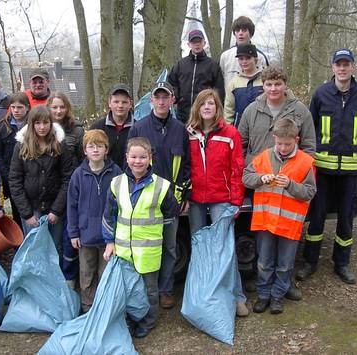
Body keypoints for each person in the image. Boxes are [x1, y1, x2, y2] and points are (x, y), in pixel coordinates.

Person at [297, 49, 357, 285]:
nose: (342, 68)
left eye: (346, 64)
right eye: (338, 64)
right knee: (317, 216)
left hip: (351, 169)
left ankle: (342, 263)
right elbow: (312, 126)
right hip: (324, 168)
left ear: (352, 68)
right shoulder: (321, 94)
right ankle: (310, 262)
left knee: (346, 218)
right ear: (332, 68)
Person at [102, 137, 178, 338]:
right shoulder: (116, 184)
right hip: (124, 250)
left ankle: (148, 321)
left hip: (148, 251)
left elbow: (171, 213)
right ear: (126, 158)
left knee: (149, 290)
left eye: (143, 157)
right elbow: (109, 215)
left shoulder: (161, 186)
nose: (138, 161)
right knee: (127, 289)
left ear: (150, 158)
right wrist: (109, 242)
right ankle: (128, 321)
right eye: (134, 157)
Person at [128, 81, 191, 309]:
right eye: (158, 97)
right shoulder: (139, 128)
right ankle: (145, 291)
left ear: (172, 100)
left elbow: (186, 166)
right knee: (145, 248)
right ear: (151, 100)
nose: (162, 101)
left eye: (166, 97)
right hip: (145, 202)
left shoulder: (180, 130)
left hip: (170, 202)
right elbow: (130, 165)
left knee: (169, 248)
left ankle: (165, 291)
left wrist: (184, 196)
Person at [243, 118, 316, 314]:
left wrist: (291, 184)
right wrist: (260, 178)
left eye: (288, 144)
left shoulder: (306, 162)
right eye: (280, 143)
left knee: (285, 265)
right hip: (266, 222)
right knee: (264, 262)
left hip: (289, 225)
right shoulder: (264, 157)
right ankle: (263, 295)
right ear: (274, 138)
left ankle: (277, 297)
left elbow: (310, 192)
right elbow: (246, 178)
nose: (283, 147)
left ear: (296, 140)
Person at [186, 89, 248, 316]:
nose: (207, 108)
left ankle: (237, 297)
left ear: (217, 107)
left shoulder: (230, 133)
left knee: (225, 250)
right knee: (200, 249)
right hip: (196, 200)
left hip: (222, 198)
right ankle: (203, 296)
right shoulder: (189, 133)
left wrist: (236, 200)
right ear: (197, 108)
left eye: (211, 103)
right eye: (203, 104)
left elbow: (237, 167)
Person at [67, 129, 122, 312]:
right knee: (86, 273)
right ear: (85, 150)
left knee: (106, 273)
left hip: (109, 238)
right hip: (86, 235)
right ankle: (88, 307)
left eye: (100, 146)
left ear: (106, 150)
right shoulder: (78, 175)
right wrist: (73, 232)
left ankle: (105, 307)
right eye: (91, 146)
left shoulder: (116, 173)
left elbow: (121, 204)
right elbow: (72, 206)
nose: (96, 150)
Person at [9, 106, 74, 258]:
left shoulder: (59, 145)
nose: (42, 127)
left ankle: (54, 280)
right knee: (34, 249)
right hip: (32, 207)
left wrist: (56, 210)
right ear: (31, 124)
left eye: (46, 123)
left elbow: (67, 178)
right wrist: (27, 214)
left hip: (54, 206)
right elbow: (15, 181)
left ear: (51, 124)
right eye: (38, 123)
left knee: (55, 248)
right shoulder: (21, 146)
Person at [238, 66, 316, 167]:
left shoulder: (300, 110)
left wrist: (301, 168)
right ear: (263, 86)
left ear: (285, 85)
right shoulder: (251, 110)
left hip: (289, 173)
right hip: (256, 172)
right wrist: (246, 169)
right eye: (269, 84)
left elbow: (308, 145)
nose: (273, 89)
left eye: (278, 84)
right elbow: (240, 144)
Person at [47, 91, 85, 286]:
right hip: (49, 192)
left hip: (72, 190)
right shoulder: (43, 128)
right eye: (54, 107)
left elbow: (83, 159)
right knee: (52, 240)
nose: (59, 110)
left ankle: (69, 276)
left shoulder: (76, 131)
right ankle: (54, 277)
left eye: (62, 106)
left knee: (68, 235)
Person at [168, 29, 225, 123]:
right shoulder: (180, 64)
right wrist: (177, 98)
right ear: (189, 44)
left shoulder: (213, 65)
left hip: (204, 115)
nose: (197, 44)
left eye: (199, 41)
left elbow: (219, 91)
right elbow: (172, 84)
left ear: (204, 43)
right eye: (193, 42)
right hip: (182, 115)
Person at [0, 92, 31, 228]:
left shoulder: (34, 125)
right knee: (17, 210)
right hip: (11, 176)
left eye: (20, 107)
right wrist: (7, 175)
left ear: (27, 108)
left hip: (30, 175)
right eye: (13, 107)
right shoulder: (2, 127)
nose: (16, 111)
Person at [90, 84, 134, 169]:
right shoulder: (97, 128)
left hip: (130, 178)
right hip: (103, 177)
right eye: (116, 102)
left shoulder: (138, 128)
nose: (120, 105)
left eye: (124, 102)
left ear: (130, 104)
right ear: (109, 103)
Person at [220, 16, 269, 87]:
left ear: (251, 34)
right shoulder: (225, 56)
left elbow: (268, 81)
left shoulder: (260, 57)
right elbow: (219, 82)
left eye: (244, 30)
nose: (240, 33)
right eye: (237, 30)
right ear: (234, 33)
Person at [224, 43, 263, 127]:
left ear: (255, 59)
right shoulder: (234, 83)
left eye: (248, 58)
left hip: (262, 127)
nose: (244, 62)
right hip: (239, 127)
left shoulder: (265, 80)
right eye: (241, 59)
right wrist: (228, 129)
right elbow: (228, 110)